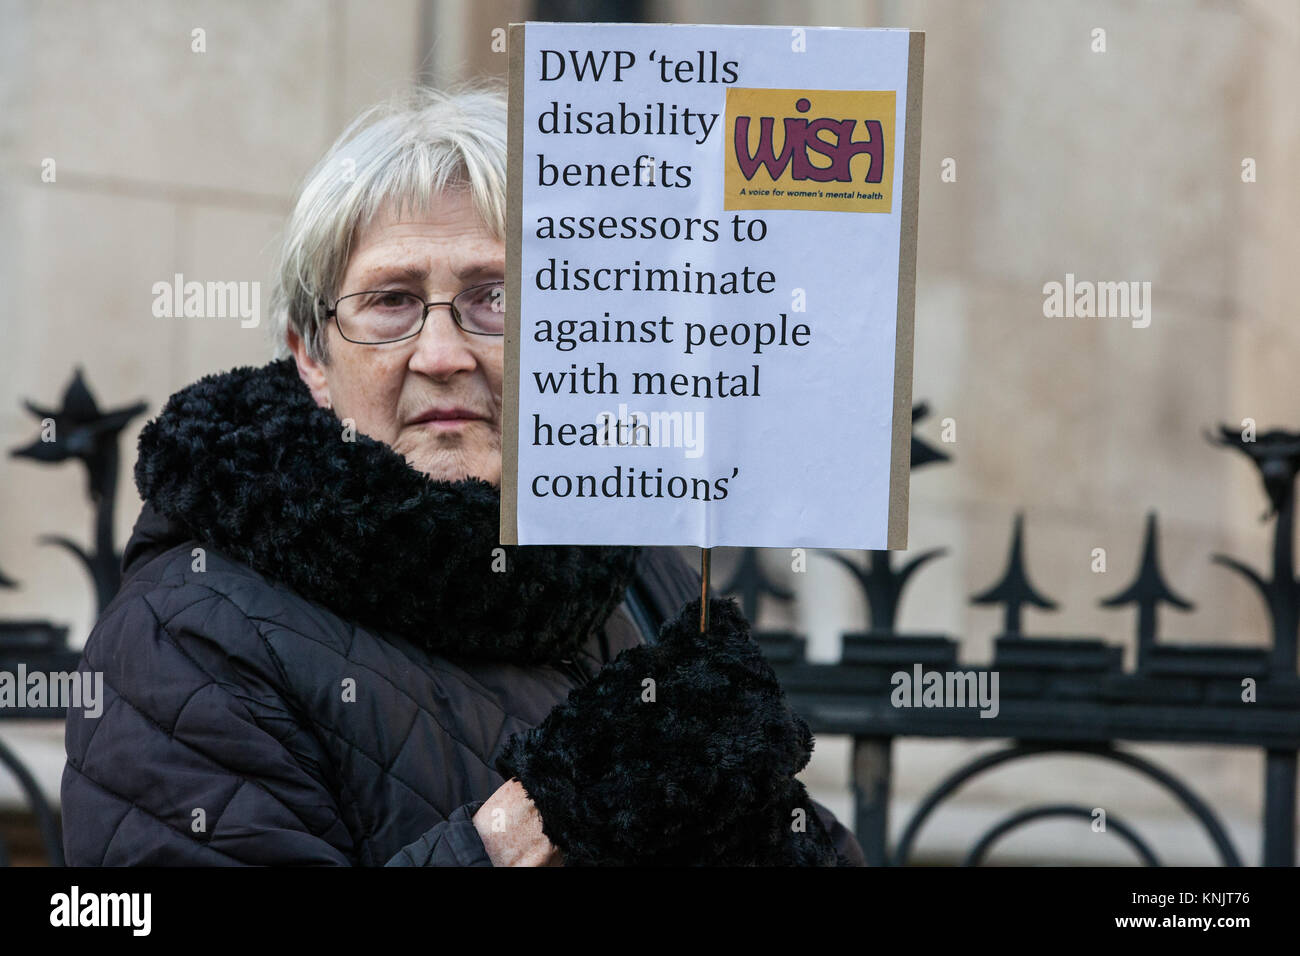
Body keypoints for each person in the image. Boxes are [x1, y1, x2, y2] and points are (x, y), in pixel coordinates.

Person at [60, 84, 865, 867]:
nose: (442, 356)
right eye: (391, 301)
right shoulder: (186, 635)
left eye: (496, 297)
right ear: (311, 353)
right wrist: (534, 825)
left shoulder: (634, 569)